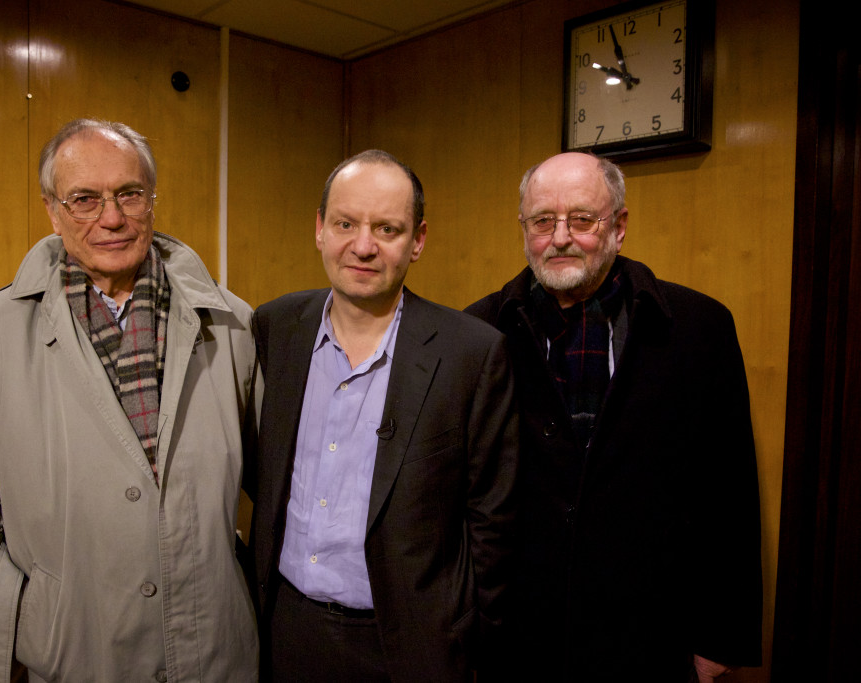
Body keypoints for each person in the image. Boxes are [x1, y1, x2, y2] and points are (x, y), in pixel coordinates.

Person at [0, 119, 258, 682]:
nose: (111, 218)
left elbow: (282, 490)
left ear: (152, 200)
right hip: (71, 657)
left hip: (214, 655)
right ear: (52, 211)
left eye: (129, 194)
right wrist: (16, 620)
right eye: (84, 200)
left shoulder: (233, 324)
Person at [466, 152, 762, 682]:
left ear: (619, 227)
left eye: (582, 219)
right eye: (542, 221)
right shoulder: (480, 332)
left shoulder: (698, 328)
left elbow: (728, 492)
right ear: (524, 229)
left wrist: (719, 636)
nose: (560, 237)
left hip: (650, 636)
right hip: (516, 637)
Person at [247, 150, 519, 682]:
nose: (363, 246)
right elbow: (260, 469)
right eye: (346, 224)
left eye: (387, 229)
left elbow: (493, 520)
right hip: (285, 629)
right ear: (320, 229)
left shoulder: (471, 354)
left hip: (411, 647)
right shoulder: (275, 327)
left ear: (417, 240)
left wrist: (470, 641)